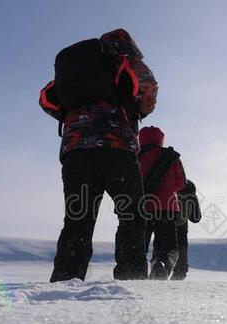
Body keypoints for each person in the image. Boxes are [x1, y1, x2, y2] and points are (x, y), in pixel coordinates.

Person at [39, 29, 158, 282]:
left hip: (76, 152)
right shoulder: (125, 60)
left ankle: (64, 283)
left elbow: (48, 101)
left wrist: (78, 114)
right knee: (132, 214)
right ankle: (131, 279)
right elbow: (149, 93)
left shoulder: (75, 67)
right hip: (117, 149)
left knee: (78, 219)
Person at [137, 126, 186, 280]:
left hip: (142, 207)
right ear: (161, 139)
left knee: (138, 245)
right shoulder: (171, 156)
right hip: (167, 207)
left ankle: (136, 275)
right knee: (168, 245)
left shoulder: (135, 156)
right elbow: (181, 183)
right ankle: (162, 263)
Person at [172, 180, 202, 280]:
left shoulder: (169, 186)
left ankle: (155, 286)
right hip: (181, 235)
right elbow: (196, 218)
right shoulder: (190, 189)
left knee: (162, 261)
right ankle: (174, 290)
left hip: (163, 231)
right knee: (181, 267)